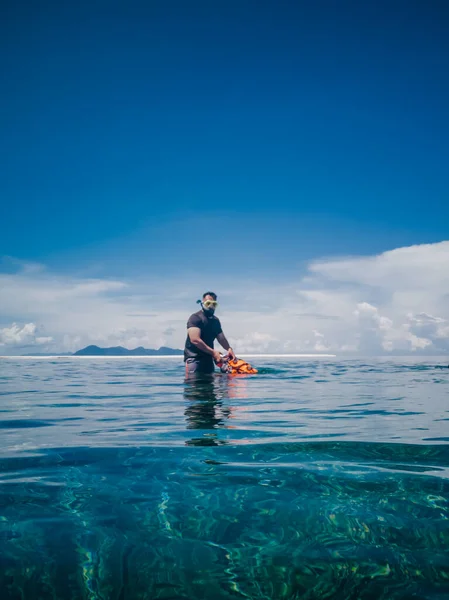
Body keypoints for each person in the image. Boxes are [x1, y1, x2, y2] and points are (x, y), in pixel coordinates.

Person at [184, 292, 236, 375]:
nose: (211, 306)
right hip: (194, 359)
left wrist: (229, 349)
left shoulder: (215, 321)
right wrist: (214, 352)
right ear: (202, 303)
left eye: (214, 304)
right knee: (193, 384)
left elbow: (221, 338)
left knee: (210, 385)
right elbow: (195, 340)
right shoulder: (195, 318)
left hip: (209, 358)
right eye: (208, 303)